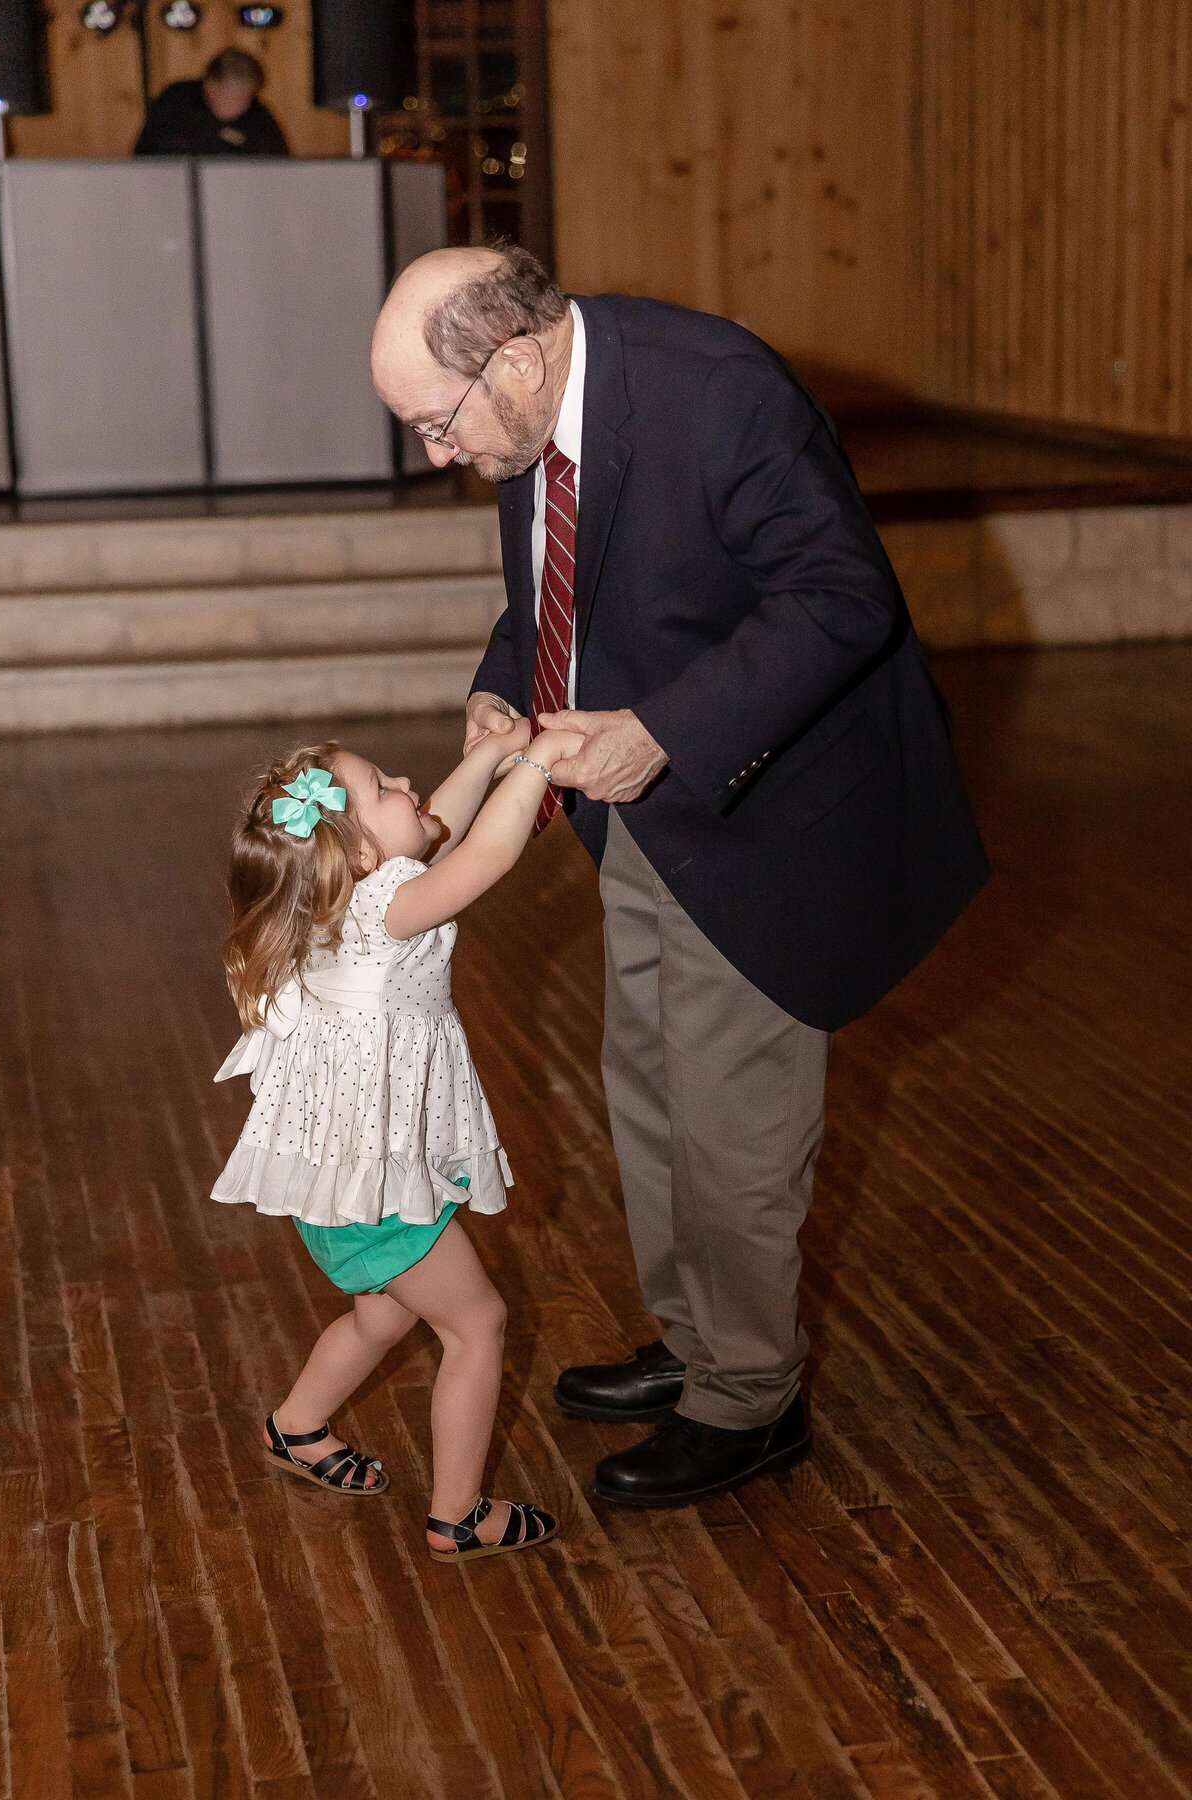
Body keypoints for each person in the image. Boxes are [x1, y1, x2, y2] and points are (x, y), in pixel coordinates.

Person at [370, 244, 990, 1510]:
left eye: (436, 423)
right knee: (649, 1084)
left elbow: (841, 597)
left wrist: (662, 733)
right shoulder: (527, 412)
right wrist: (505, 683)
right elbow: (561, 592)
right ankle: (695, 1337)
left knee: (734, 1120)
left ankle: (749, 1400)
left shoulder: (719, 390)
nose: (438, 453)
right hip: (632, 799)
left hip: (763, 806)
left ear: (522, 358)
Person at [210, 721, 579, 1558]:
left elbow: (433, 828)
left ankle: (298, 1427)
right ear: (363, 860)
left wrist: (485, 757)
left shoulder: (341, 895)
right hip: (371, 1187)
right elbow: (481, 857)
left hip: (336, 1188)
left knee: (382, 1319)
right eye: (385, 786)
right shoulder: (384, 907)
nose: (408, 785)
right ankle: (460, 1515)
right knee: (476, 1325)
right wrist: (536, 764)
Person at [134, 48, 289, 158]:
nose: (241, 104)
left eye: (246, 96)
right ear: (209, 86)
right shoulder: (176, 103)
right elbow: (146, 157)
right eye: (231, 94)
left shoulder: (259, 120)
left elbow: (275, 170)